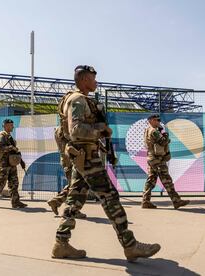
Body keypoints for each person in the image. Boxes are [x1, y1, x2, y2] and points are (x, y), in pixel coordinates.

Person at [51, 65, 160, 262]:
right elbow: (75, 130)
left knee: (74, 200)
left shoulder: (76, 99)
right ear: (84, 80)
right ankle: (130, 245)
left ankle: (61, 243)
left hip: (82, 157)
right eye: (93, 79)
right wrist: (100, 130)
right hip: (87, 157)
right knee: (110, 197)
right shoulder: (77, 100)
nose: (96, 82)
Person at [142, 114, 190, 209]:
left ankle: (145, 201)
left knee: (151, 180)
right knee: (167, 180)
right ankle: (176, 201)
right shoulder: (153, 131)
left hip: (152, 158)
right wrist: (164, 133)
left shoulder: (148, 130)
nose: (158, 122)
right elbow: (163, 141)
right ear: (151, 120)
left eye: (159, 120)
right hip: (157, 159)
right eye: (156, 120)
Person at [0, 119, 27, 208]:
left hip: (12, 164)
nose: (12, 127)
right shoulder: (1, 135)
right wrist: (11, 148)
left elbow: (15, 150)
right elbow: (0, 148)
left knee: (14, 183)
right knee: (0, 183)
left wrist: (21, 161)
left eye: (12, 125)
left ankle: (15, 202)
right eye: (10, 125)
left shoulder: (10, 136)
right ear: (5, 126)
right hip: (4, 164)